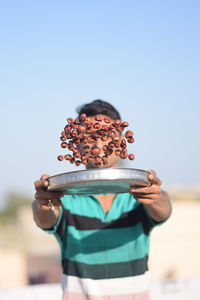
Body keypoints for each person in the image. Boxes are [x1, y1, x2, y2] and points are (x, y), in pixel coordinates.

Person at [32, 99, 172, 300]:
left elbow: (163, 208)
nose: (98, 145)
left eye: (106, 136)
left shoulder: (137, 193)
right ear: (76, 145)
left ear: (121, 141)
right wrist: (44, 204)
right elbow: (44, 217)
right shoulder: (66, 195)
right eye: (88, 137)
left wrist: (155, 196)